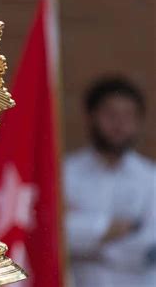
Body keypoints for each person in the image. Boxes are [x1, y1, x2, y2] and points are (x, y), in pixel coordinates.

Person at [64, 74, 156, 287]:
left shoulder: (151, 178)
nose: (119, 124)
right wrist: (110, 229)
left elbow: (148, 247)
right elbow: (57, 235)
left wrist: (86, 243)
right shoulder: (65, 174)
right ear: (91, 117)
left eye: (128, 116)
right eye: (111, 115)